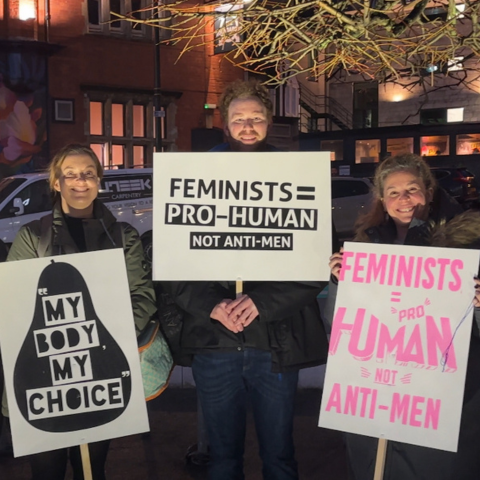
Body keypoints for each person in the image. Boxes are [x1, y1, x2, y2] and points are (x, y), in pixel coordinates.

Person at [163, 79, 331, 480]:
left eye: (256, 118)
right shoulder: (194, 174)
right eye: (240, 119)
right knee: (222, 461)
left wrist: (261, 302)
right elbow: (174, 265)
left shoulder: (296, 175)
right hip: (215, 341)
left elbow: (315, 264)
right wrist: (211, 306)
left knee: (280, 458)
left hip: (275, 343)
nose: (248, 126)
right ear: (225, 123)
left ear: (269, 122)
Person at [5, 144, 156, 480]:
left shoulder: (122, 236)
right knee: (47, 469)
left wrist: (109, 339)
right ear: (56, 182)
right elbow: (15, 303)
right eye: (70, 174)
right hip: (45, 375)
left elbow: (141, 295)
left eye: (88, 173)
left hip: (101, 370)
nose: (80, 181)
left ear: (99, 180)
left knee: (92, 468)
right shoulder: (33, 236)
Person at [327, 153, 480, 480]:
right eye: (394, 192)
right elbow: (341, 327)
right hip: (379, 394)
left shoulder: (468, 244)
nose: (404, 199)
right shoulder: (367, 243)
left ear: (428, 190)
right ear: (382, 199)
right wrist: (340, 283)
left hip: (438, 396)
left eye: (412, 189)